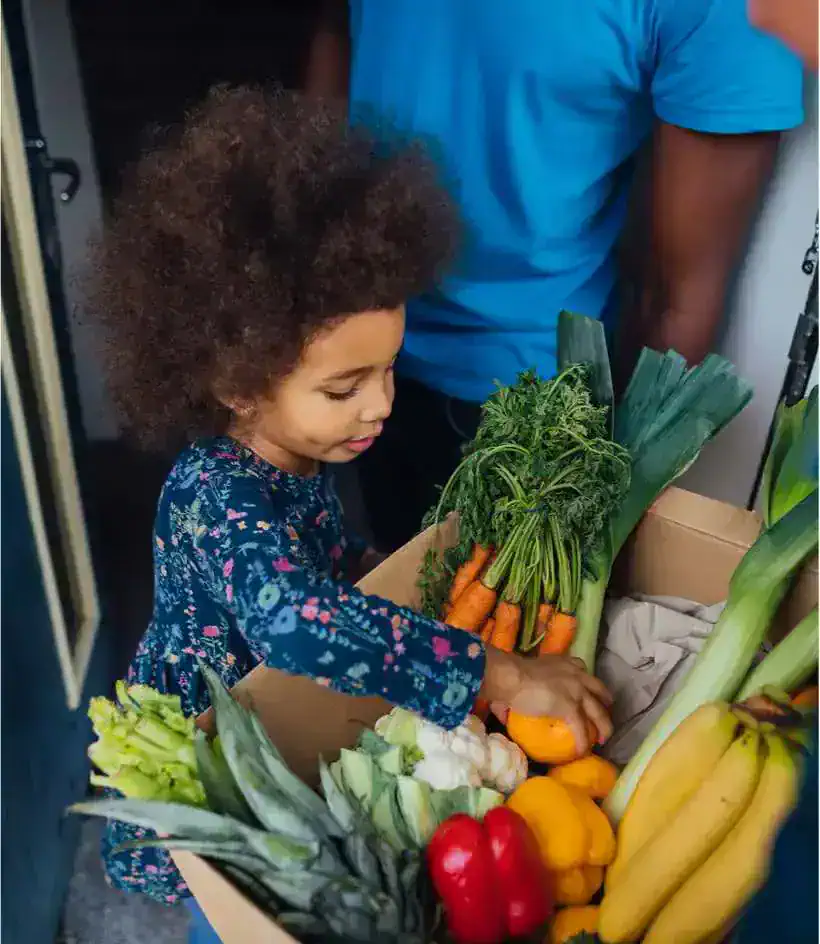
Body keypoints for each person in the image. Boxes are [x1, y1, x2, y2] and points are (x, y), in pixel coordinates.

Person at [83, 86, 612, 941]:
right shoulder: (215, 494)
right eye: (344, 388)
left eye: (389, 371)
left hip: (291, 727)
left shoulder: (295, 455)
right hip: (218, 773)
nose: (380, 408)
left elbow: (324, 566)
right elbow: (295, 619)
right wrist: (504, 673)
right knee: (237, 911)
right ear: (237, 384)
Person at [307, 0, 805, 552]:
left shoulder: (723, 11)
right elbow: (337, 27)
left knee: (479, 621)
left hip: (524, 401)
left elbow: (679, 297)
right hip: (345, 334)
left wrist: (607, 502)